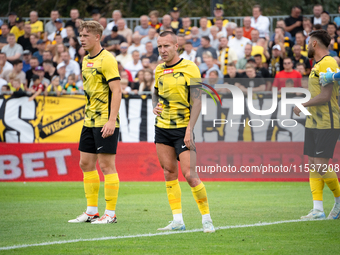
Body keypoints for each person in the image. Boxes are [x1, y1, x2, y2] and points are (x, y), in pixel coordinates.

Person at [153, 31, 215, 233]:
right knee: (169, 172)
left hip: (182, 129)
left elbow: (197, 101)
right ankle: (177, 220)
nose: (162, 50)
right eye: (160, 46)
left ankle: (207, 219)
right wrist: (156, 106)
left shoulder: (190, 68)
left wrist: (189, 129)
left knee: (190, 174)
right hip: (162, 128)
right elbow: (155, 94)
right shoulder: (158, 70)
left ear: (176, 45)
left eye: (166, 46)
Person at [68, 20, 122, 224]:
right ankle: (92, 211)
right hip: (89, 119)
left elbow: (117, 91)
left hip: (104, 121)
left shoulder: (107, 59)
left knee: (107, 166)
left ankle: (110, 213)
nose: (82, 39)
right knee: (85, 163)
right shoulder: (85, 59)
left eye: (86, 35)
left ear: (97, 37)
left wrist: (111, 120)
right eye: (80, 35)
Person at [293, 30, 340, 220]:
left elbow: (326, 96)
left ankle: (338, 201)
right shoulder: (317, 65)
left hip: (327, 121)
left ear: (314, 44)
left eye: (307, 42)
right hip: (314, 120)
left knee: (320, 164)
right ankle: (318, 210)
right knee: (313, 164)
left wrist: (303, 104)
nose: (305, 46)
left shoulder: (328, 62)